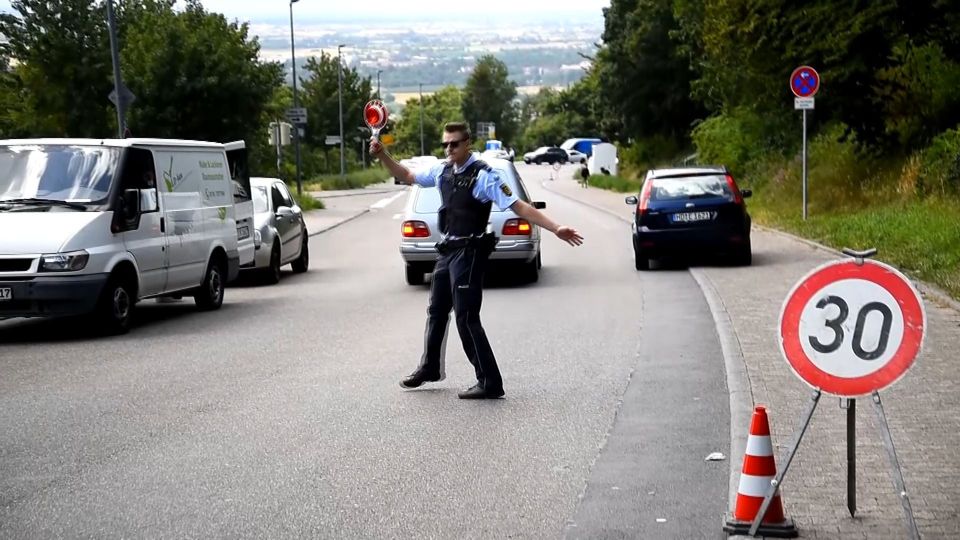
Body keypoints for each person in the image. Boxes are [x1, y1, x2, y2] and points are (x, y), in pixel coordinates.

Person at [370, 122, 584, 399]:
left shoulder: (485, 176)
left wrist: (556, 228)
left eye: (454, 144)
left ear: (467, 143)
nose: (449, 149)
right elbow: (407, 174)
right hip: (448, 250)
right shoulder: (442, 170)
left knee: (467, 317)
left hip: (470, 252)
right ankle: (430, 367)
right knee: (436, 310)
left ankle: (490, 382)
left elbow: (519, 206)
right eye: (446, 144)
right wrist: (383, 154)